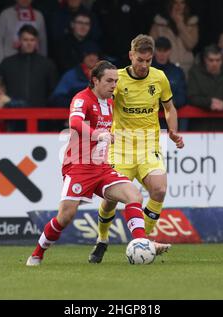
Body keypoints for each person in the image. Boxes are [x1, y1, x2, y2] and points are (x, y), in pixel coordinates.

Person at [26, 60, 171, 266]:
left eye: (116, 81)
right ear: (95, 80)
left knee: (134, 195)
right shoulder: (81, 99)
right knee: (65, 217)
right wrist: (97, 135)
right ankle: (38, 253)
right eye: (109, 81)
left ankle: (141, 242)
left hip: (102, 168)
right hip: (79, 167)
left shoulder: (111, 103)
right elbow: (74, 123)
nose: (114, 85)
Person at [88, 35, 184, 264]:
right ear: (131, 56)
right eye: (140, 60)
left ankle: (145, 240)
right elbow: (97, 99)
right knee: (111, 199)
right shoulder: (117, 79)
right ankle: (102, 240)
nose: (144, 66)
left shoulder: (159, 78)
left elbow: (169, 107)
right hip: (119, 148)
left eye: (148, 61)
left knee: (159, 190)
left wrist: (172, 130)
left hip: (149, 145)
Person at [187, 44, 223, 131]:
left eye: (218, 60)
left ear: (222, 60)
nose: (215, 63)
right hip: (200, 126)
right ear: (205, 60)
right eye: (211, 60)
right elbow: (191, 96)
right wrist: (209, 102)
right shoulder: (194, 72)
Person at [149, 0, 199, 81]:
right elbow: (150, 46)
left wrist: (180, 24)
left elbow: (190, 45)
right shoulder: (159, 23)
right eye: (175, 3)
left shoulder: (192, 23)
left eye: (182, 3)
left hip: (186, 67)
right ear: (170, 4)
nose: (178, 6)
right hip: (165, 68)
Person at [0, 0, 47, 66]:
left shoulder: (39, 16)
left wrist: (42, 64)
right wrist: (1, 63)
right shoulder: (5, 14)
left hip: (33, 64)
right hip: (9, 63)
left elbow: (42, 42)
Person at [49, 43, 100, 107]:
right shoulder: (71, 76)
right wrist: (78, 103)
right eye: (88, 54)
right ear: (82, 57)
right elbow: (56, 99)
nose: (92, 58)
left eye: (95, 55)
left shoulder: (107, 75)